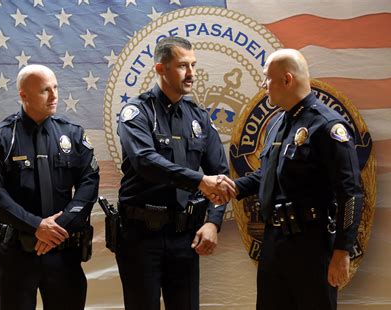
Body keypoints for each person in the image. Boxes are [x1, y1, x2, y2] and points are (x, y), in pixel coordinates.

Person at [216, 49, 363, 310]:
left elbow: (350, 192)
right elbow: (267, 175)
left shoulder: (327, 126)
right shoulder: (277, 124)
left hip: (313, 244)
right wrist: (233, 187)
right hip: (275, 243)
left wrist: (343, 250)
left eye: (267, 78)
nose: (263, 85)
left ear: (287, 79)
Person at [116, 36, 235, 310]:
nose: (191, 73)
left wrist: (213, 222)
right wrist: (199, 181)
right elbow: (145, 161)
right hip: (141, 236)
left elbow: (220, 174)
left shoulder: (199, 116)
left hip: (185, 236)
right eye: (183, 66)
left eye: (193, 65)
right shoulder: (138, 112)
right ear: (161, 69)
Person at [0, 64, 100, 310]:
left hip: (63, 251)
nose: (54, 96)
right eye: (45, 90)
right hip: (17, 254)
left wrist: (57, 228)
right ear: (24, 95)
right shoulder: (1, 138)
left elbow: (89, 182)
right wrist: (36, 226)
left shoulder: (72, 134)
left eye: (55, 88)